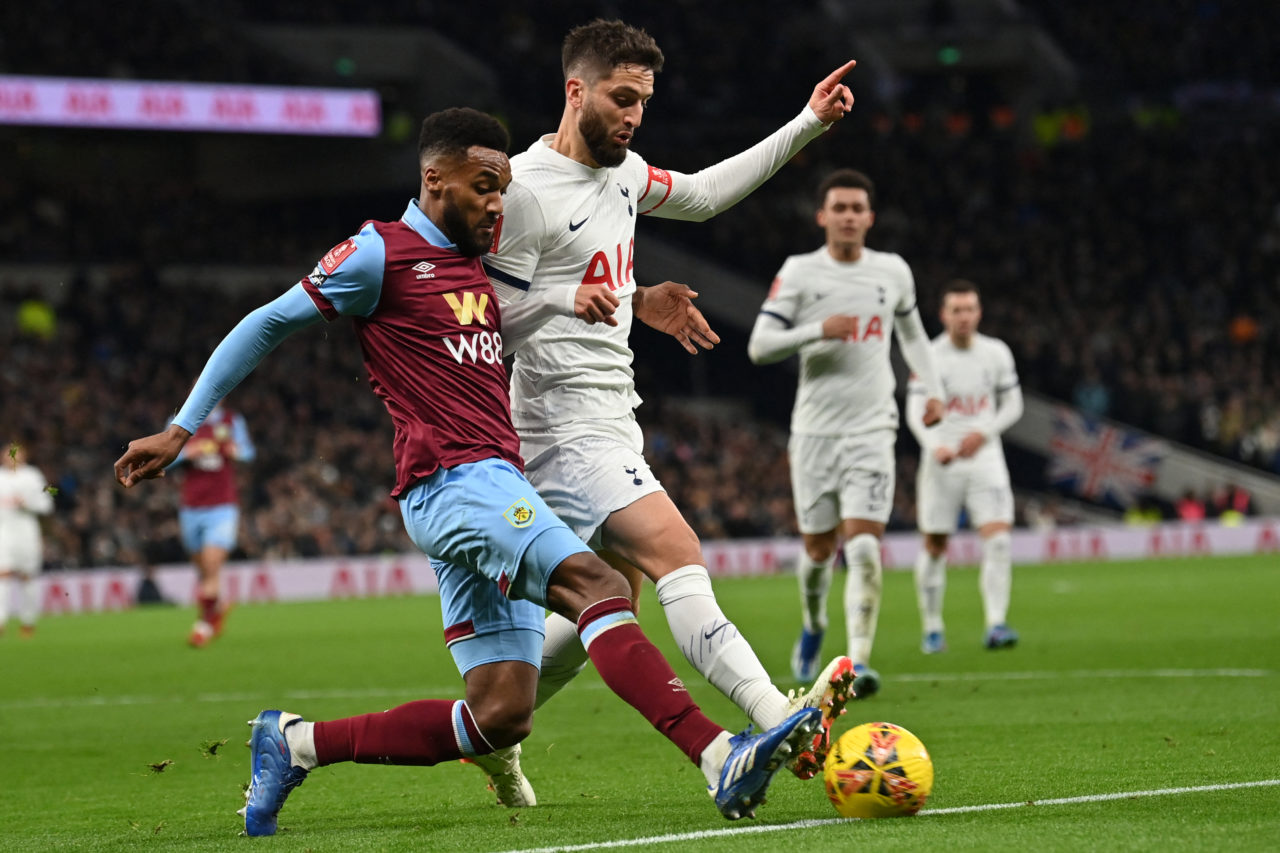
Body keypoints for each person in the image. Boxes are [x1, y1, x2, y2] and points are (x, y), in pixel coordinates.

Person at [113, 108, 820, 836]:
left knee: (501, 714)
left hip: (489, 484)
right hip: (456, 482)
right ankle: (716, 753)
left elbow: (509, 317)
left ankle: (295, 742)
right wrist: (182, 425)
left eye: (504, 188)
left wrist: (624, 300)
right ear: (434, 179)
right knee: (603, 586)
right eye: (483, 187)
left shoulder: (473, 268)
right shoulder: (376, 253)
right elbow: (266, 321)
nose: (496, 204)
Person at [477, 19, 860, 792]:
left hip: (612, 414)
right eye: (622, 99)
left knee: (610, 596)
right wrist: (561, 298)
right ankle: (771, 709)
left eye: (644, 102)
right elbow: (485, 320)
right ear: (575, 90)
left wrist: (808, 123)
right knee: (676, 551)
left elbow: (705, 195)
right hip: (559, 424)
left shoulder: (622, 175)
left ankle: (497, 726)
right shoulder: (522, 192)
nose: (634, 116)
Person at [747, 168, 945, 699]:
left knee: (862, 546)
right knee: (818, 550)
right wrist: (817, 330)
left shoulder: (893, 272)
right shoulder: (801, 272)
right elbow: (760, 345)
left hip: (873, 428)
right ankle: (813, 624)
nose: (849, 216)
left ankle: (855, 661)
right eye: (840, 208)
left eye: (858, 208)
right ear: (822, 216)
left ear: (870, 218)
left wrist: (935, 390)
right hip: (814, 432)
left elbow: (914, 336)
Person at [906, 280, 1023, 653]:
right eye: (956, 310)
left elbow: (1013, 405)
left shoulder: (996, 353)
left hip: (985, 458)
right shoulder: (928, 356)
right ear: (943, 315)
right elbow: (913, 408)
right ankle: (933, 627)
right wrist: (933, 444)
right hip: (942, 461)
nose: (963, 316)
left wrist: (985, 433)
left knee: (999, 539)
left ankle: (996, 624)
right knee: (936, 545)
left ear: (979, 312)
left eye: (969, 309)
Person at [171, 402, 255, 646]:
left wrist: (234, 451)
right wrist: (187, 453)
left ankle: (204, 626)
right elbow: (163, 458)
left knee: (211, 562)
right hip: (191, 507)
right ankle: (217, 607)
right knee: (204, 570)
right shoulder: (180, 421)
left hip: (223, 506)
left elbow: (249, 452)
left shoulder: (232, 421)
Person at [0, 442, 54, 638]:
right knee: (2, 575)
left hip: (27, 532)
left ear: (24, 455)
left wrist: (28, 503)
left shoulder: (33, 476)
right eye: (7, 453)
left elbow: (47, 504)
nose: (11, 457)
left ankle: (28, 622)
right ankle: (1, 621)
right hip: (3, 533)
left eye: (15, 453)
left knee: (28, 577)